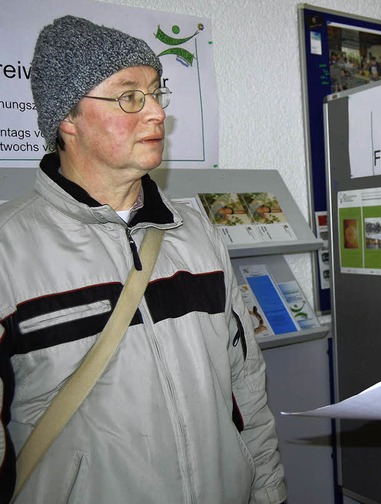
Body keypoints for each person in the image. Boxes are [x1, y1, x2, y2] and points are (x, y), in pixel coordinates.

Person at [0, 16, 286, 504]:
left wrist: (269, 493)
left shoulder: (196, 231)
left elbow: (245, 388)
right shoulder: (9, 249)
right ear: (67, 119)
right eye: (130, 96)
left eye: (156, 93)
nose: (156, 112)